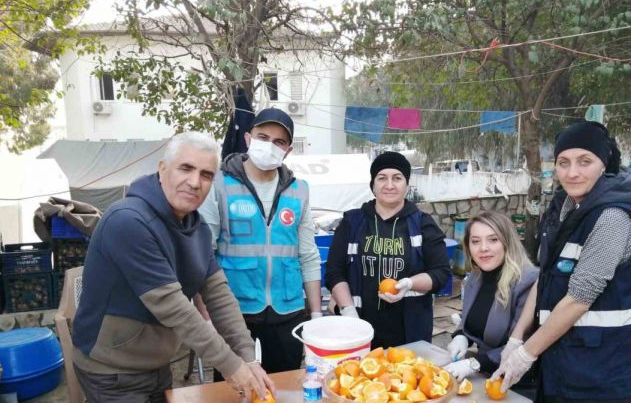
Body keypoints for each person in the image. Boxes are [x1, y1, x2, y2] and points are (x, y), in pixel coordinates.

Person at [72, 132, 274, 402]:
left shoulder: (197, 227)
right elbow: (175, 308)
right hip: (112, 370)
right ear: (162, 169)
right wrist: (231, 365)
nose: (194, 182)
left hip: (155, 362)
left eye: (206, 175)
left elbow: (219, 296)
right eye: (186, 168)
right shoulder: (128, 221)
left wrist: (248, 357)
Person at [492, 121, 631, 402]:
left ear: (605, 164)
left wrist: (526, 353)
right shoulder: (565, 207)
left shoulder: (613, 217)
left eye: (585, 161)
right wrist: (517, 337)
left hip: (606, 374)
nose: (572, 172)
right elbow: (546, 277)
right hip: (565, 362)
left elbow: (580, 298)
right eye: (563, 162)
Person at [199, 108, 322, 376]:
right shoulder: (219, 184)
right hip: (235, 314)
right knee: (237, 390)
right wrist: (207, 316)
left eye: (279, 142)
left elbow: (308, 255)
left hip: (288, 311)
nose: (270, 146)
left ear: (288, 150)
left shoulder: (299, 190)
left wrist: (316, 316)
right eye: (263, 137)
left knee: (284, 388)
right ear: (248, 139)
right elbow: (202, 256)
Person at [325, 151, 451, 349]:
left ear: (407, 185)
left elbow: (441, 273)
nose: (390, 185)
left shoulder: (423, 224)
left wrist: (410, 283)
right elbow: (334, 272)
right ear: (373, 185)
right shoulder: (352, 222)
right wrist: (349, 311)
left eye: (397, 178)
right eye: (382, 178)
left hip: (411, 331)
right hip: (357, 328)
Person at [444, 211, 538, 396]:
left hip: (519, 384)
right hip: (485, 378)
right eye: (476, 241)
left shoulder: (527, 281)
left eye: (493, 240)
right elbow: (473, 318)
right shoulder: (476, 277)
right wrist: (461, 336)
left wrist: (474, 363)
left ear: (507, 242)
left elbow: (524, 342)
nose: (483, 248)